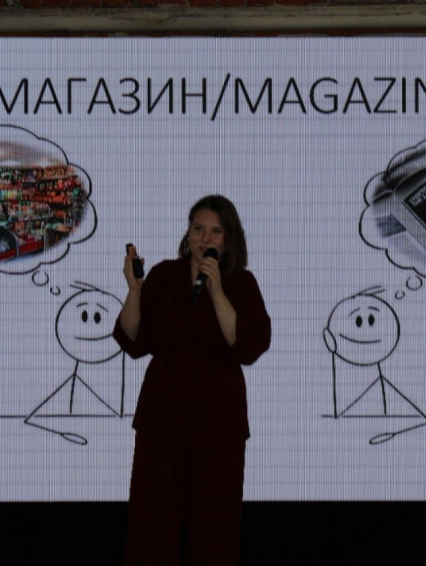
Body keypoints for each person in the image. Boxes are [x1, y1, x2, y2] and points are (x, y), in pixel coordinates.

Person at [114, 194, 271, 566]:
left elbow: (249, 346)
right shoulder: (165, 275)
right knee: (152, 530)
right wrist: (135, 292)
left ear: (229, 239)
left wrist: (216, 291)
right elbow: (133, 341)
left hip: (218, 428)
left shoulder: (241, 283)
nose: (205, 238)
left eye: (215, 231)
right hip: (162, 423)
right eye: (198, 228)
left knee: (214, 533)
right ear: (188, 233)